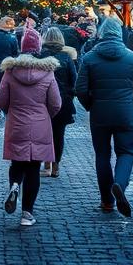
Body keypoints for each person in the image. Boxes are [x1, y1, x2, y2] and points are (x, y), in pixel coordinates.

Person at [74, 18, 133, 217]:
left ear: (101, 34)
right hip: (125, 113)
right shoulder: (132, 57)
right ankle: (120, 184)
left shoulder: (90, 58)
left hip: (100, 114)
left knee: (102, 155)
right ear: (119, 34)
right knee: (126, 152)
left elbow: (80, 88)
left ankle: (107, 201)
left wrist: (90, 105)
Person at [0, 28, 61, 227]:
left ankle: (15, 186)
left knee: (17, 163)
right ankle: (27, 213)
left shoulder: (10, 71)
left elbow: (0, 100)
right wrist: (45, 116)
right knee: (33, 168)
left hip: (16, 123)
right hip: (40, 124)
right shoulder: (47, 72)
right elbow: (56, 103)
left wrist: (11, 111)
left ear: (22, 48)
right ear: (38, 48)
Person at [39, 27, 77, 178]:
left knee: (43, 133)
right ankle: (55, 166)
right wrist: (69, 94)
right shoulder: (66, 57)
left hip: (42, 101)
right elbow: (74, 80)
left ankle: (46, 163)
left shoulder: (39, 56)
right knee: (59, 135)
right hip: (63, 101)